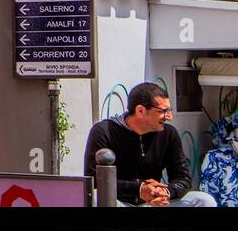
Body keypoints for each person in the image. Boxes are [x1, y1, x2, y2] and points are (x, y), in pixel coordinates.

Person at [83, 81, 217, 207]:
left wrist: (165, 192)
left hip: (156, 202)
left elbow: (182, 178)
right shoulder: (103, 131)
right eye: (163, 111)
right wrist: (140, 189)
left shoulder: (169, 133)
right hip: (120, 202)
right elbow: (94, 180)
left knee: (204, 201)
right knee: (94, 197)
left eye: (169, 110)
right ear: (140, 110)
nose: (169, 117)